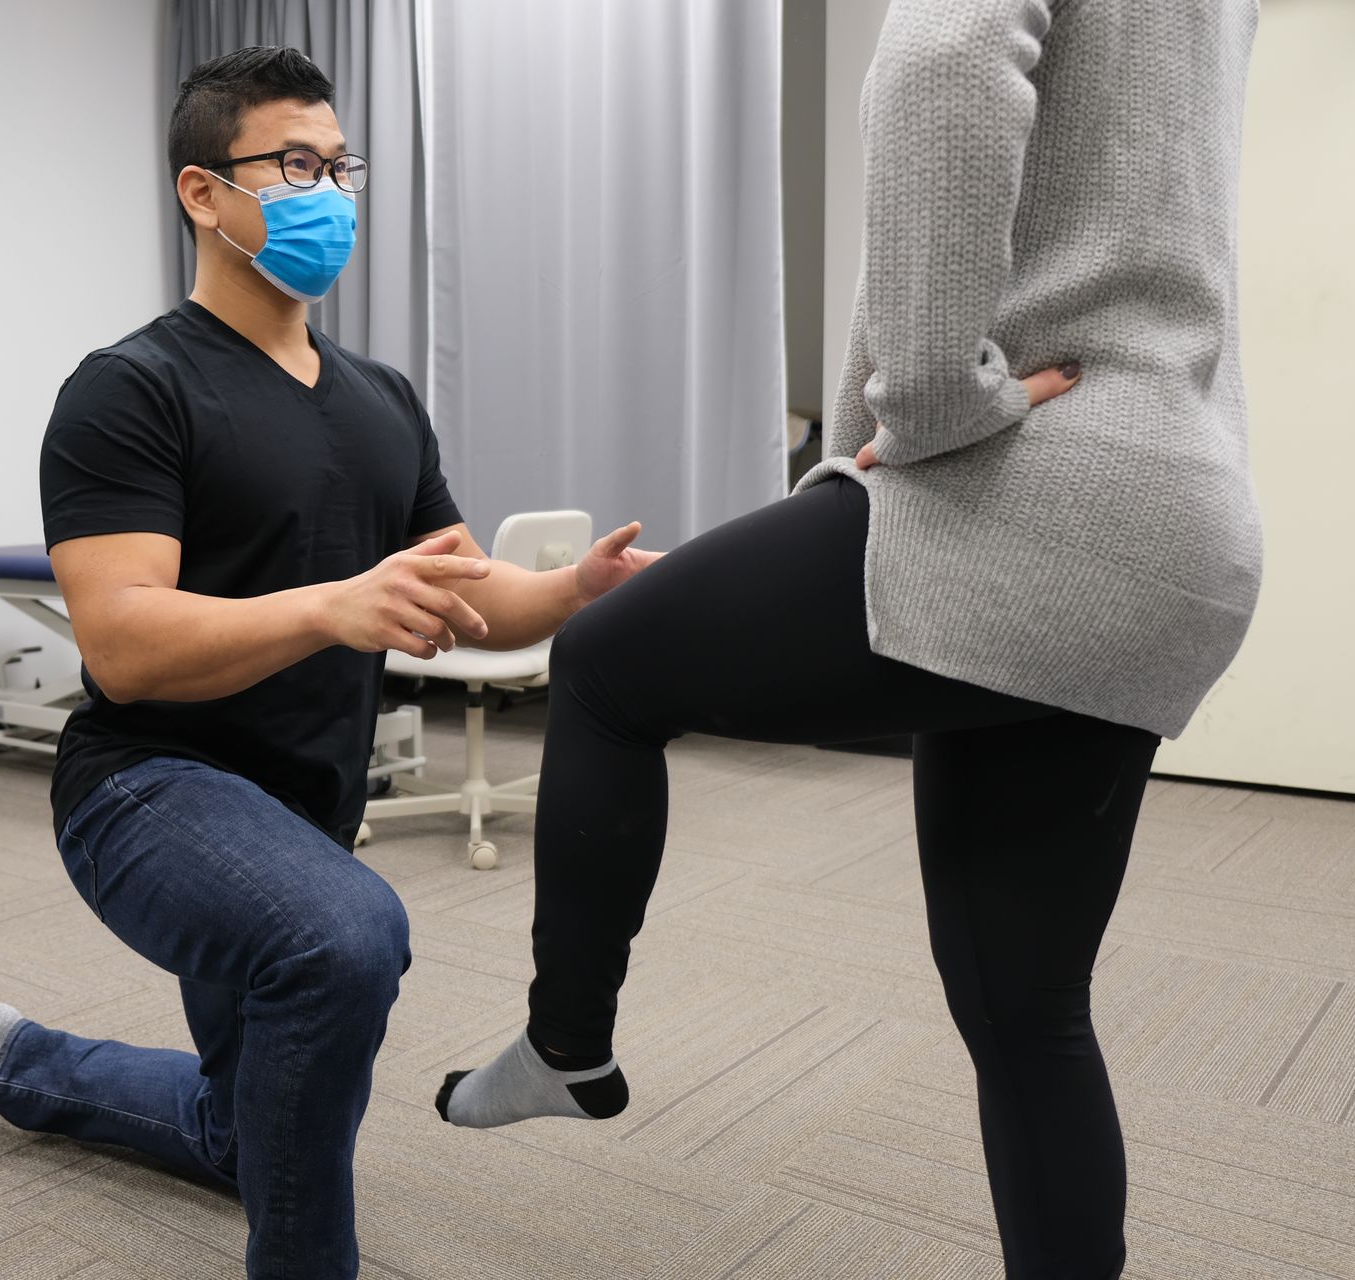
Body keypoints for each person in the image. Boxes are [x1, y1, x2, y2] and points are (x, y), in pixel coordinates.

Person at [438, 2, 1262, 1277]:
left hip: (1032, 485)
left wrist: (932, 395)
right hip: (1179, 518)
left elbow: (940, 59)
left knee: (604, 668)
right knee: (1027, 1009)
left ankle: (567, 1043)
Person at [0, 46, 657, 1280]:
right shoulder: (128, 390)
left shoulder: (381, 399)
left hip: (304, 815)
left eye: (340, 164)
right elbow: (124, 644)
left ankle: (20, 1059)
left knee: (250, 1131)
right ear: (205, 192)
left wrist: (577, 590)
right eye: (297, 164)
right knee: (346, 939)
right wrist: (330, 608)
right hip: (146, 789)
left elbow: (474, 595)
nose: (332, 191)